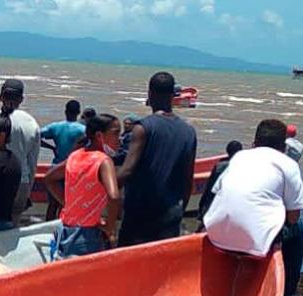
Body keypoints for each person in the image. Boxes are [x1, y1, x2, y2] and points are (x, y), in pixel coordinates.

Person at [203, 119, 303, 296]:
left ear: (254, 142)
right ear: (283, 146)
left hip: (215, 235)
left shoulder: (239, 157)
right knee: (299, 228)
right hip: (256, 245)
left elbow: (217, 193)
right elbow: (293, 217)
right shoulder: (288, 164)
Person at [118, 72, 197, 246]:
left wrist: (102, 185)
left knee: (130, 267)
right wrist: (179, 211)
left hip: (140, 214)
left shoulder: (142, 128)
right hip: (171, 213)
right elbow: (188, 180)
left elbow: (127, 170)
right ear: (173, 96)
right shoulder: (188, 131)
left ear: (149, 94)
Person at [44, 114, 122, 258]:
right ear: (99, 135)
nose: (119, 139)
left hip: (65, 229)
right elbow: (114, 196)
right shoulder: (103, 161)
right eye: (116, 133)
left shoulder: (75, 156)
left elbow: (49, 178)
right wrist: (110, 227)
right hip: (88, 235)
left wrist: (69, 205)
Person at [0, 79, 41, 223]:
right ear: (21, 99)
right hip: (21, 183)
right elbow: (32, 163)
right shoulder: (32, 123)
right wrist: (28, 190)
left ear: (0, 96)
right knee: (13, 225)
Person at [197, 140, 243, 225]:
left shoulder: (219, 167)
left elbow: (209, 189)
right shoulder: (244, 166)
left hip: (217, 203)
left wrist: (202, 208)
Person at [41, 100, 85, 165]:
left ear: (65, 112)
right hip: (75, 166)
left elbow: (35, 137)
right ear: (78, 112)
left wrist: (51, 147)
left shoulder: (54, 127)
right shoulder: (84, 129)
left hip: (57, 165)